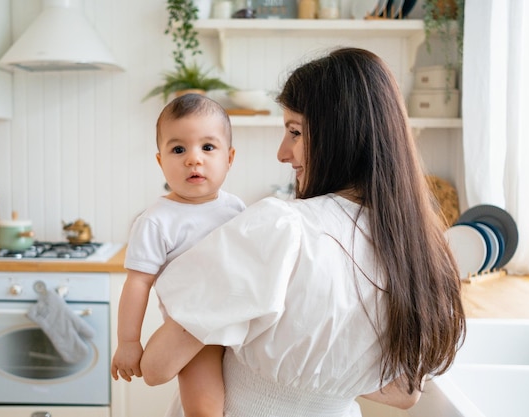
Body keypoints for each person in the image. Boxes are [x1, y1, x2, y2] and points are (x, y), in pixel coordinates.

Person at [140, 47, 466, 417]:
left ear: (339, 134)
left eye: (294, 132)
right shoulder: (420, 249)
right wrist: (321, 386)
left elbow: (156, 365)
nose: (282, 152)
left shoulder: (282, 227)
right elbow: (406, 392)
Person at [110, 93, 245, 417]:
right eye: (178, 149)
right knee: (203, 408)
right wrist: (129, 341)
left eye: (208, 147)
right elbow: (138, 283)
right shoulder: (156, 220)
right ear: (160, 161)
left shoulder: (235, 208)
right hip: (194, 331)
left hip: (241, 318)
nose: (193, 159)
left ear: (229, 158)